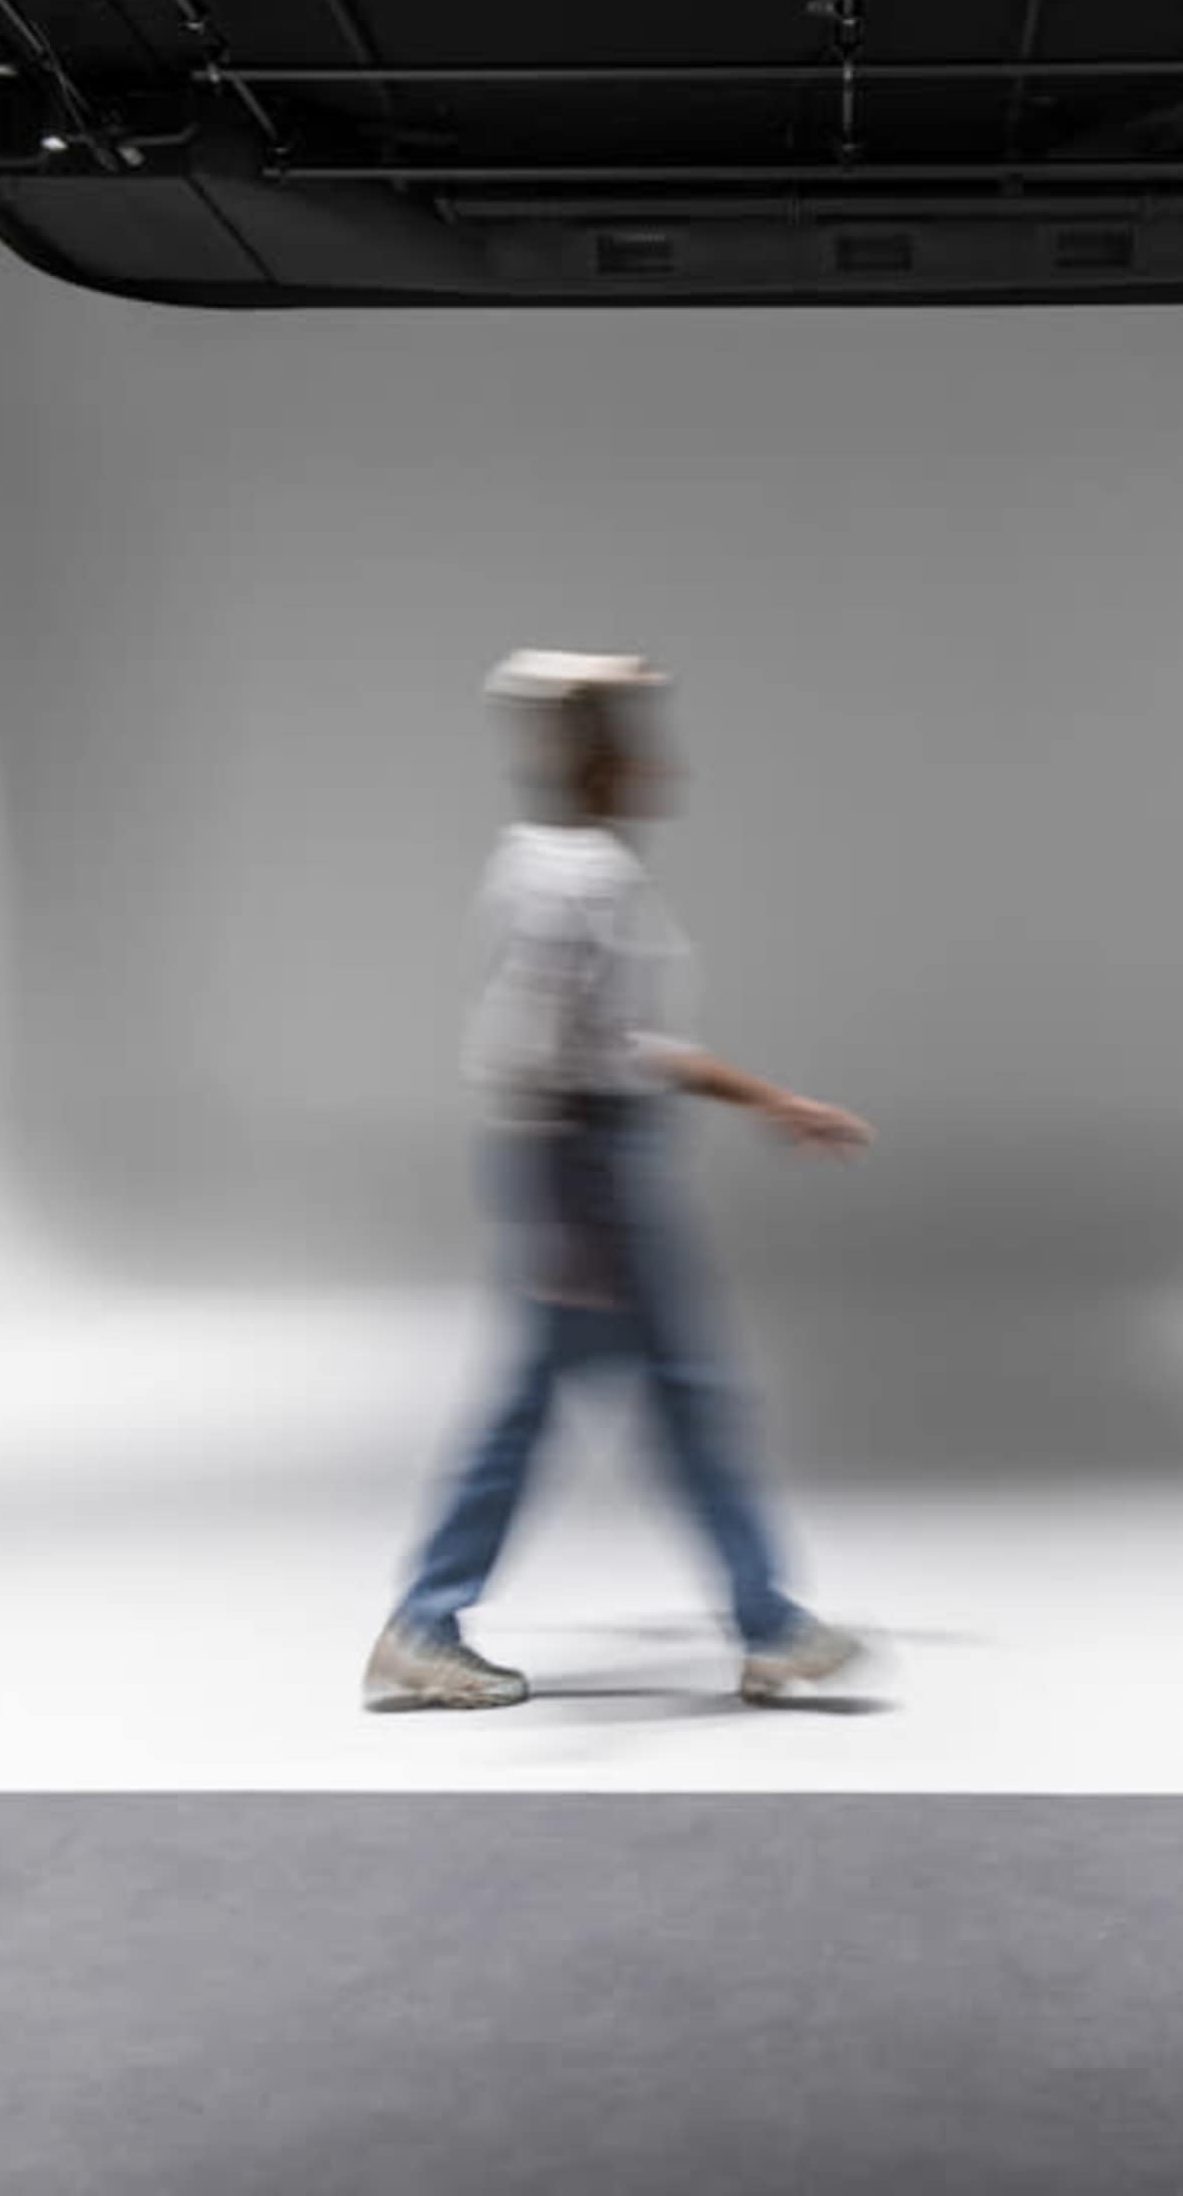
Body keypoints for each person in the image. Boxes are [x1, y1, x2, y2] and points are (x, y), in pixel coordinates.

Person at [364, 650, 875, 1712]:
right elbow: (543, 1055)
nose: (656, 767)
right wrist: (567, 1223)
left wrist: (770, 1100)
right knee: (651, 1397)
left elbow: (627, 1043)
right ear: (595, 761)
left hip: (587, 1154)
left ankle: (758, 1620)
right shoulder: (572, 880)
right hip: (583, 1161)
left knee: (616, 1399)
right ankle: (760, 1624)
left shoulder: (558, 864)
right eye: (634, 744)